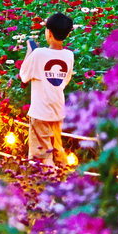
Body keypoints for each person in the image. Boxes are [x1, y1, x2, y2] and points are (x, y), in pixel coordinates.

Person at [19, 13, 74, 167]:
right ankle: (62, 175)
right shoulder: (69, 55)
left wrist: (30, 52)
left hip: (40, 110)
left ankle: (45, 182)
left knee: (40, 154)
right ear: (68, 33)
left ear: (48, 32)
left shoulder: (38, 53)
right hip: (57, 108)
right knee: (56, 147)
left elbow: (24, 76)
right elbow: (65, 80)